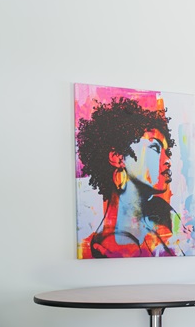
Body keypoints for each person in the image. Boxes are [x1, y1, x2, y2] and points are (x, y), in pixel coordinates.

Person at [75, 97, 183, 258]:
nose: (167, 161)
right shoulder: (112, 245)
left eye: (167, 152)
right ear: (118, 158)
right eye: (155, 148)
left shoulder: (162, 211)